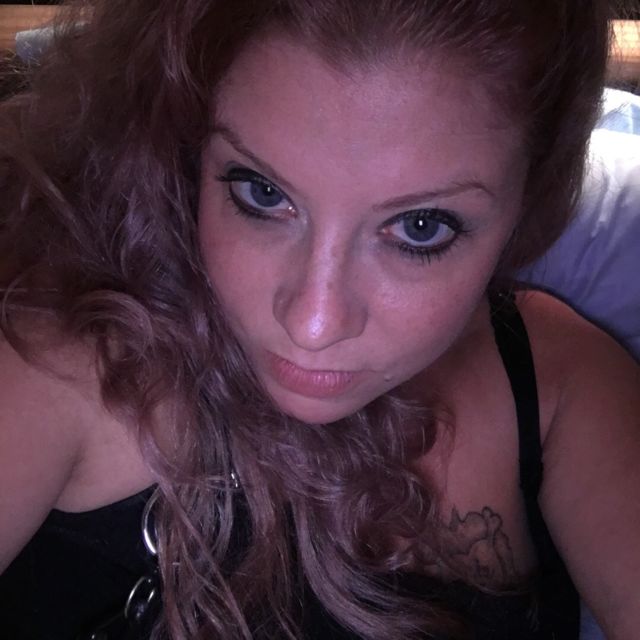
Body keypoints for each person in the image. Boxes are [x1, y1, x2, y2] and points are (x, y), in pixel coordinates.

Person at [0, 1, 638, 639]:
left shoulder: (560, 381)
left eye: (420, 227)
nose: (313, 324)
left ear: (531, 196)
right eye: (262, 192)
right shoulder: (72, 361)